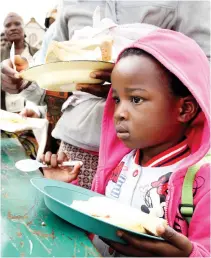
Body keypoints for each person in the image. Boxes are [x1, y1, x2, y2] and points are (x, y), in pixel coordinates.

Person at [1, 1, 210, 187]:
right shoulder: (71, 4)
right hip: (75, 152)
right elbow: (49, 76)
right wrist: (22, 79)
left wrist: (130, 83)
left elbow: (203, 70)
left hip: (154, 154)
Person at [40, 29, 210, 257]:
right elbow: (96, 222)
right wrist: (64, 189)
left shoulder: (202, 182)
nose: (118, 112)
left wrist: (187, 255)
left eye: (136, 99)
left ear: (185, 109)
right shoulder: (119, 165)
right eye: (117, 99)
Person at [0, 12, 44, 158]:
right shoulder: (1, 54)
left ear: (24, 28)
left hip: (31, 118)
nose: (13, 28)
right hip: (5, 117)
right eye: (8, 25)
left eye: (17, 24)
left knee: (28, 159)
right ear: (4, 31)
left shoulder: (37, 54)